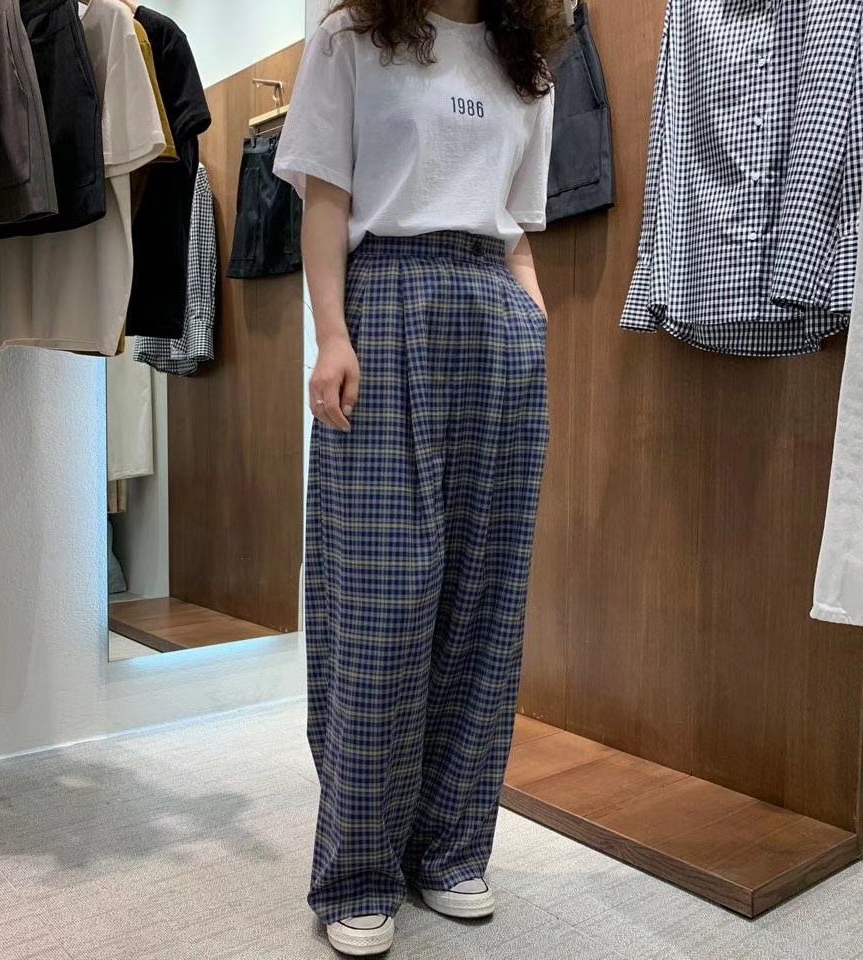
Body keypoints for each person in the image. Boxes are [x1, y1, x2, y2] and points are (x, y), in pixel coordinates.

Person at [273, 0, 566, 954]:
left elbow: (519, 231)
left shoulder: (528, 66)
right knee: (382, 600)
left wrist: (534, 322)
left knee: (487, 599)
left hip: (496, 314)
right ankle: (359, 870)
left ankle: (449, 847)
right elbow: (326, 198)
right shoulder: (351, 40)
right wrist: (331, 335)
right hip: (387, 296)